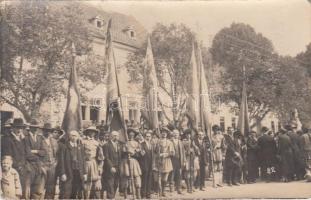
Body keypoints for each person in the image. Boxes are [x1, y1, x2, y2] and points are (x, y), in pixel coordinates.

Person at [1, 118, 30, 199]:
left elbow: (27, 154)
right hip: (12, 170)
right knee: (12, 193)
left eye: (21, 128)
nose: (19, 130)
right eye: (17, 127)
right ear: (12, 128)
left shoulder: (23, 139)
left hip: (24, 169)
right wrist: (18, 166)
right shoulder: (7, 139)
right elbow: (7, 157)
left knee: (22, 192)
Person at [58, 130, 87, 199]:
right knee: (66, 192)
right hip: (69, 172)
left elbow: (83, 161)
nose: (74, 137)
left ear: (78, 137)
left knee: (77, 191)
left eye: (75, 136)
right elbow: (61, 161)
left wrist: (84, 173)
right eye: (72, 135)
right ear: (69, 136)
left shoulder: (80, 147)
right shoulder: (64, 147)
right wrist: (63, 173)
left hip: (78, 172)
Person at [24, 119, 47, 199]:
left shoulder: (40, 138)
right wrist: (38, 153)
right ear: (30, 127)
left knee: (36, 188)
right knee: (26, 189)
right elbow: (27, 154)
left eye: (37, 128)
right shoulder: (25, 138)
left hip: (38, 166)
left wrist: (35, 151)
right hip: (28, 166)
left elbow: (44, 152)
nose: (35, 129)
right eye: (33, 127)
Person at [82, 126, 104, 199]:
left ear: (95, 133)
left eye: (93, 132)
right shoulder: (82, 142)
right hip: (85, 163)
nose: (92, 133)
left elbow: (100, 157)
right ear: (87, 132)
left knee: (95, 182)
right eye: (90, 131)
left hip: (94, 163)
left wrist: (100, 167)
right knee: (85, 183)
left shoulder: (97, 143)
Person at [153, 128, 175, 197]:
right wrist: (158, 154)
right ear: (161, 133)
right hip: (158, 161)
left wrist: (165, 154)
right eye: (162, 132)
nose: (164, 134)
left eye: (165, 133)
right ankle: (158, 190)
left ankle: (163, 191)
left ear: (167, 134)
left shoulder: (169, 142)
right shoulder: (158, 142)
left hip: (166, 161)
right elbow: (155, 151)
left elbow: (172, 152)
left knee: (165, 178)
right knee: (158, 178)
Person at [41, 123, 59, 199]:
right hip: (42, 166)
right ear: (43, 131)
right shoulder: (39, 140)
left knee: (51, 187)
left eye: (49, 131)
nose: (47, 132)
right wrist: (41, 165)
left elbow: (57, 154)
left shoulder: (54, 141)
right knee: (40, 187)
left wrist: (55, 163)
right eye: (45, 130)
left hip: (52, 166)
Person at [102, 131, 122, 199]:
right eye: (114, 135)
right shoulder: (106, 145)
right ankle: (110, 197)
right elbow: (106, 158)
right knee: (110, 183)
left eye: (117, 135)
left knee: (116, 183)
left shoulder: (118, 145)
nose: (115, 137)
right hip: (110, 167)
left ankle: (112, 196)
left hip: (118, 166)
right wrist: (111, 167)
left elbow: (120, 156)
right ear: (110, 136)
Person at [169, 129, 186, 194]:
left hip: (179, 160)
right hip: (172, 160)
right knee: (172, 174)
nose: (176, 135)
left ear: (178, 135)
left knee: (179, 174)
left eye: (177, 133)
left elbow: (183, 152)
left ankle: (179, 188)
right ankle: (171, 189)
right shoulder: (170, 141)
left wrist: (184, 161)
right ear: (173, 134)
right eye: (174, 133)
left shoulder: (180, 142)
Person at [182, 129, 198, 193]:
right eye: (187, 134)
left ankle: (192, 186)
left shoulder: (192, 141)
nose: (188, 135)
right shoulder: (183, 141)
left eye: (189, 134)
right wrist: (188, 151)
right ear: (185, 135)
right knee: (187, 173)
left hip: (192, 158)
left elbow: (195, 148)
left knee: (193, 173)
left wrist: (195, 149)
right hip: (187, 158)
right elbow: (182, 151)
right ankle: (188, 187)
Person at [138, 130, 154, 198]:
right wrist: (141, 153)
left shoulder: (151, 144)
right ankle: (143, 194)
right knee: (144, 180)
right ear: (145, 137)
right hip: (144, 164)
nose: (148, 137)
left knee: (149, 179)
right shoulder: (141, 144)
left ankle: (148, 194)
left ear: (151, 137)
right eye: (147, 136)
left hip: (150, 164)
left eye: (149, 136)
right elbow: (140, 154)